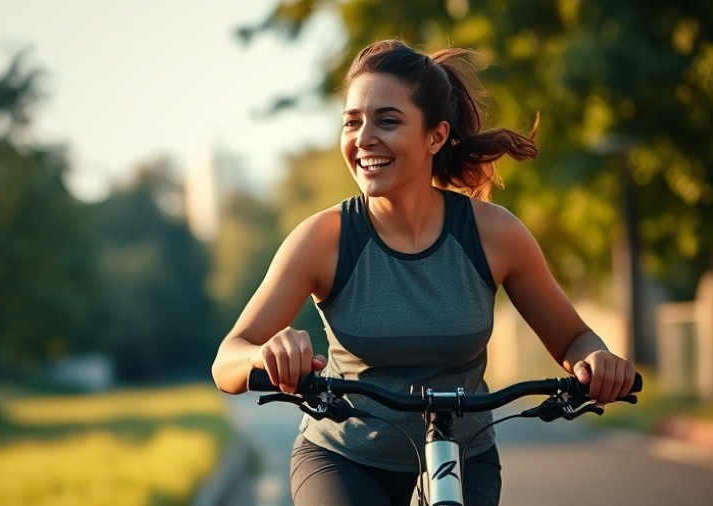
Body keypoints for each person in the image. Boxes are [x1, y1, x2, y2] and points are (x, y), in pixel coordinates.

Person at [210, 38, 636, 506]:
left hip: (463, 454)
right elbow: (227, 360)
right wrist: (264, 355)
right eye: (352, 122)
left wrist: (595, 360)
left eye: (387, 121)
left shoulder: (494, 234)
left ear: (435, 136)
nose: (364, 137)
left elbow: (574, 339)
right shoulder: (324, 239)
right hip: (341, 458)